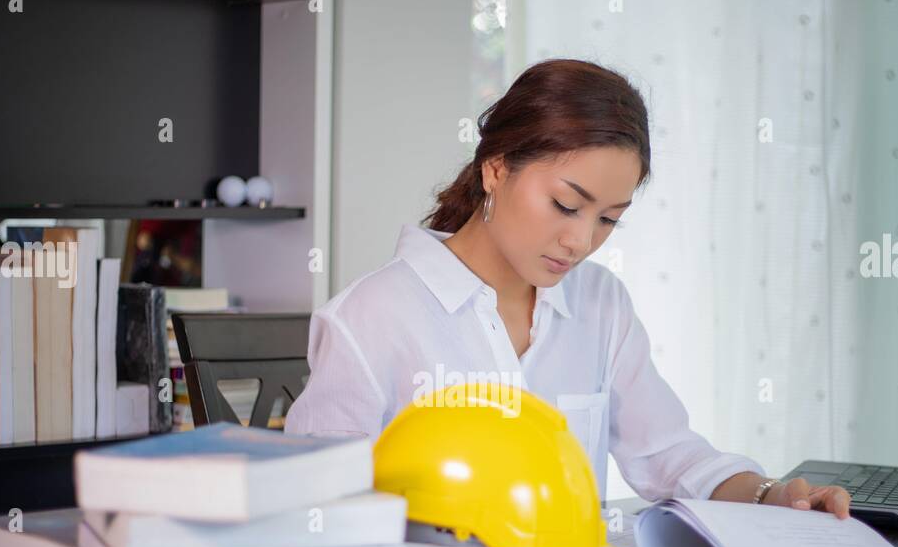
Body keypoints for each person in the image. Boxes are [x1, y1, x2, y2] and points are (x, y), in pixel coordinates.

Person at [285, 58, 849, 518]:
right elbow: (316, 506)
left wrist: (772, 496)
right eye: (566, 204)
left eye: (607, 219)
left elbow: (668, 453)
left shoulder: (600, 305)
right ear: (497, 169)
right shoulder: (370, 318)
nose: (579, 240)